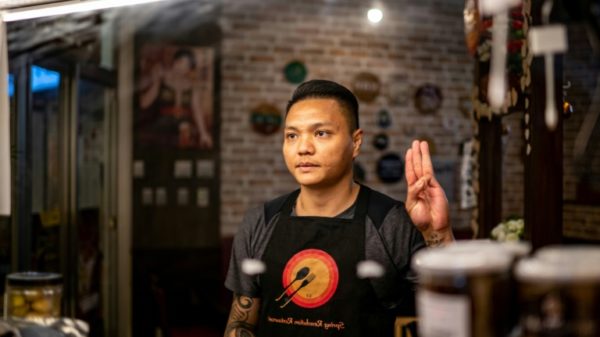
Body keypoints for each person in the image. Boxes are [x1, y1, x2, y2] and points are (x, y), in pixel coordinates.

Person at [223, 79, 454, 337]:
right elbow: (241, 324)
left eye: (321, 133)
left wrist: (439, 233)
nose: (303, 148)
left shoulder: (390, 222)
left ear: (355, 143)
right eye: (292, 135)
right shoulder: (260, 222)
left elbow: (453, 313)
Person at [138, 48, 213, 149]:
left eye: (187, 66)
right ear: (175, 61)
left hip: (184, 130)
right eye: (181, 62)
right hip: (161, 129)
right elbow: (144, 104)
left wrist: (203, 133)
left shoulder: (192, 86)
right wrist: (156, 82)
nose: (183, 68)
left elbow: (197, 110)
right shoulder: (161, 77)